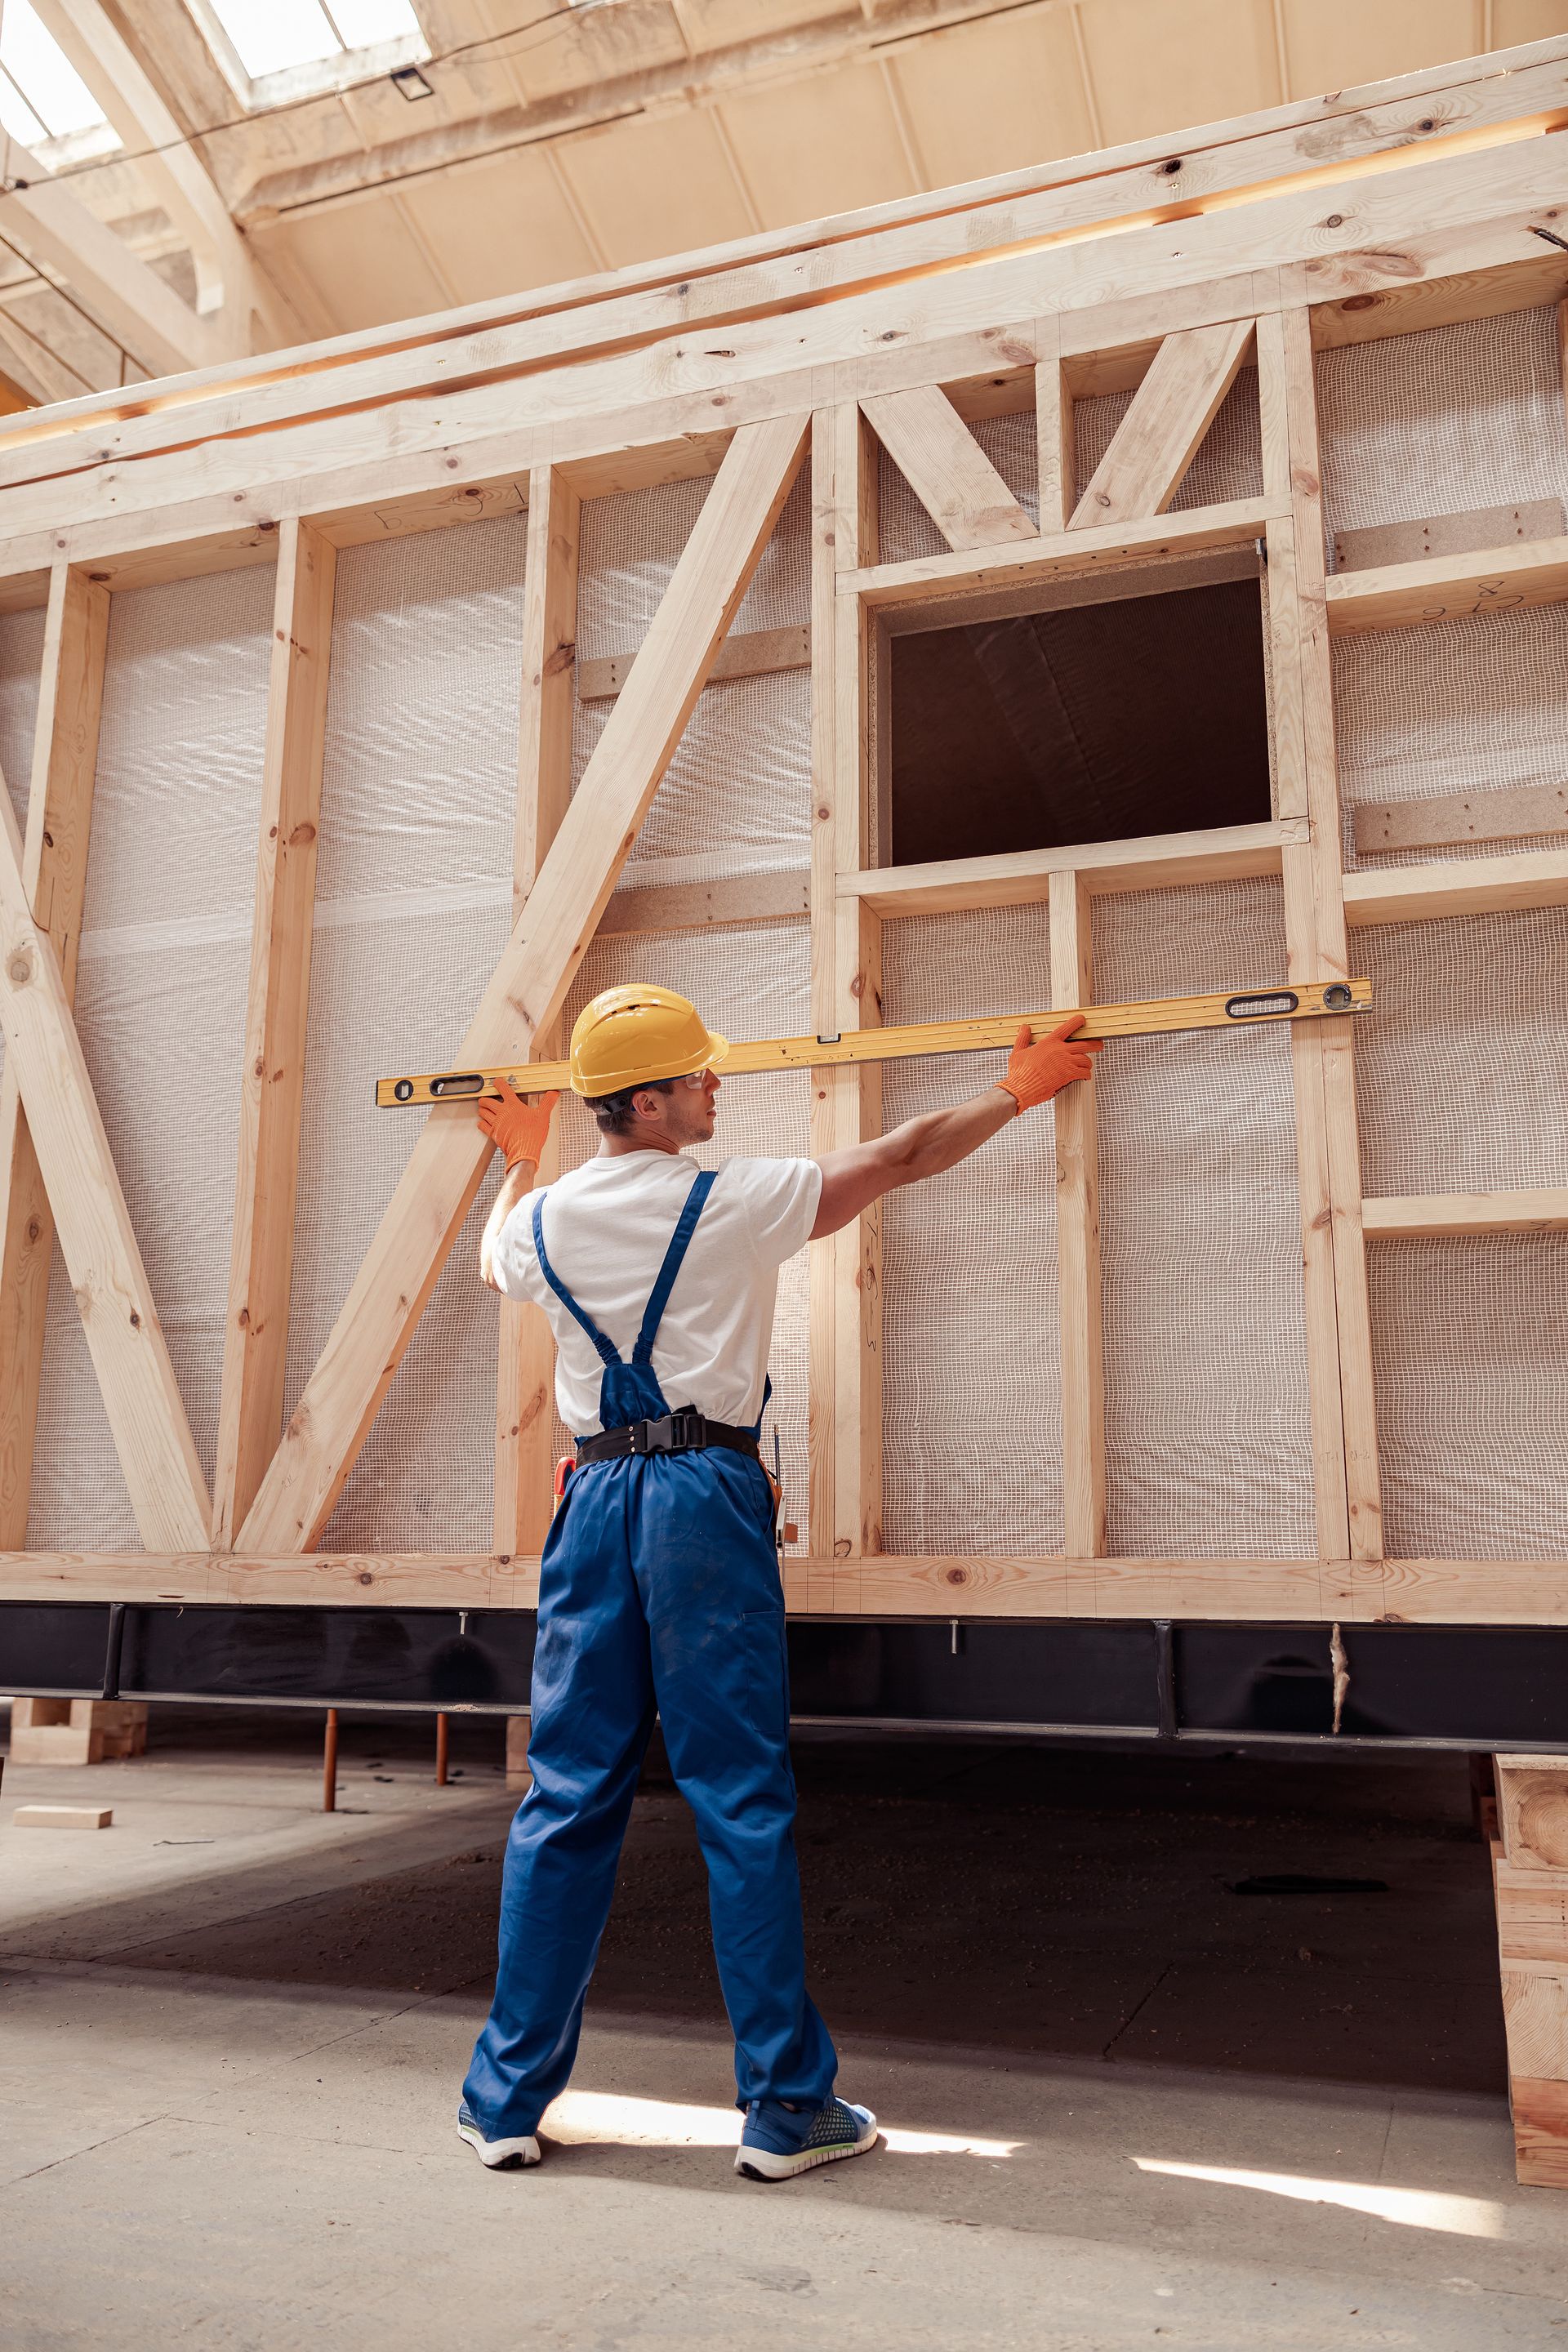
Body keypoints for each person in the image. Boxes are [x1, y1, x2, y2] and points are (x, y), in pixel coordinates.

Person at [458, 982, 1100, 2181]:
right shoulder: (734, 1202)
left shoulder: (539, 1222)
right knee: (738, 1795)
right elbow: (906, 1154)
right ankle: (784, 2110)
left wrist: (514, 1159)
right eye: (698, 1076)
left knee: (566, 1796)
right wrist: (1018, 1092)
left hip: (592, 1502)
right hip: (703, 1494)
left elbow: (498, 1267)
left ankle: (503, 2100)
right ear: (647, 1103)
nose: (717, 1087)